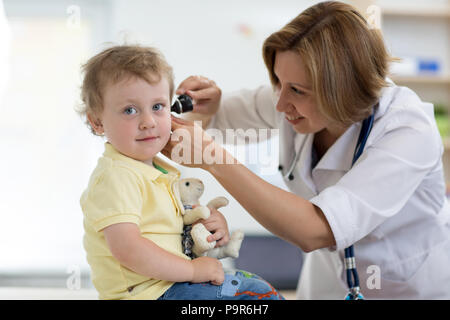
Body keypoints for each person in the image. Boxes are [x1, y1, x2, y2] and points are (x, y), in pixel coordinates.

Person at [163, 1, 450, 299]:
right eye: (279, 82)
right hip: (325, 283)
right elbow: (217, 118)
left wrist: (214, 160)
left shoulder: (407, 129)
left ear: (343, 89)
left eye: (297, 90)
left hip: (403, 286)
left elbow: (315, 230)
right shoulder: (291, 101)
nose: (279, 104)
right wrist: (205, 106)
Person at [77, 45, 284, 300]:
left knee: (258, 290)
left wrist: (205, 224)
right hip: (150, 294)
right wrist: (191, 270)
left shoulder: (159, 173)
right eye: (130, 110)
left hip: (170, 287)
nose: (148, 121)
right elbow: (128, 249)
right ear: (97, 122)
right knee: (255, 297)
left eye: (158, 106)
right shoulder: (116, 176)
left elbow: (167, 234)